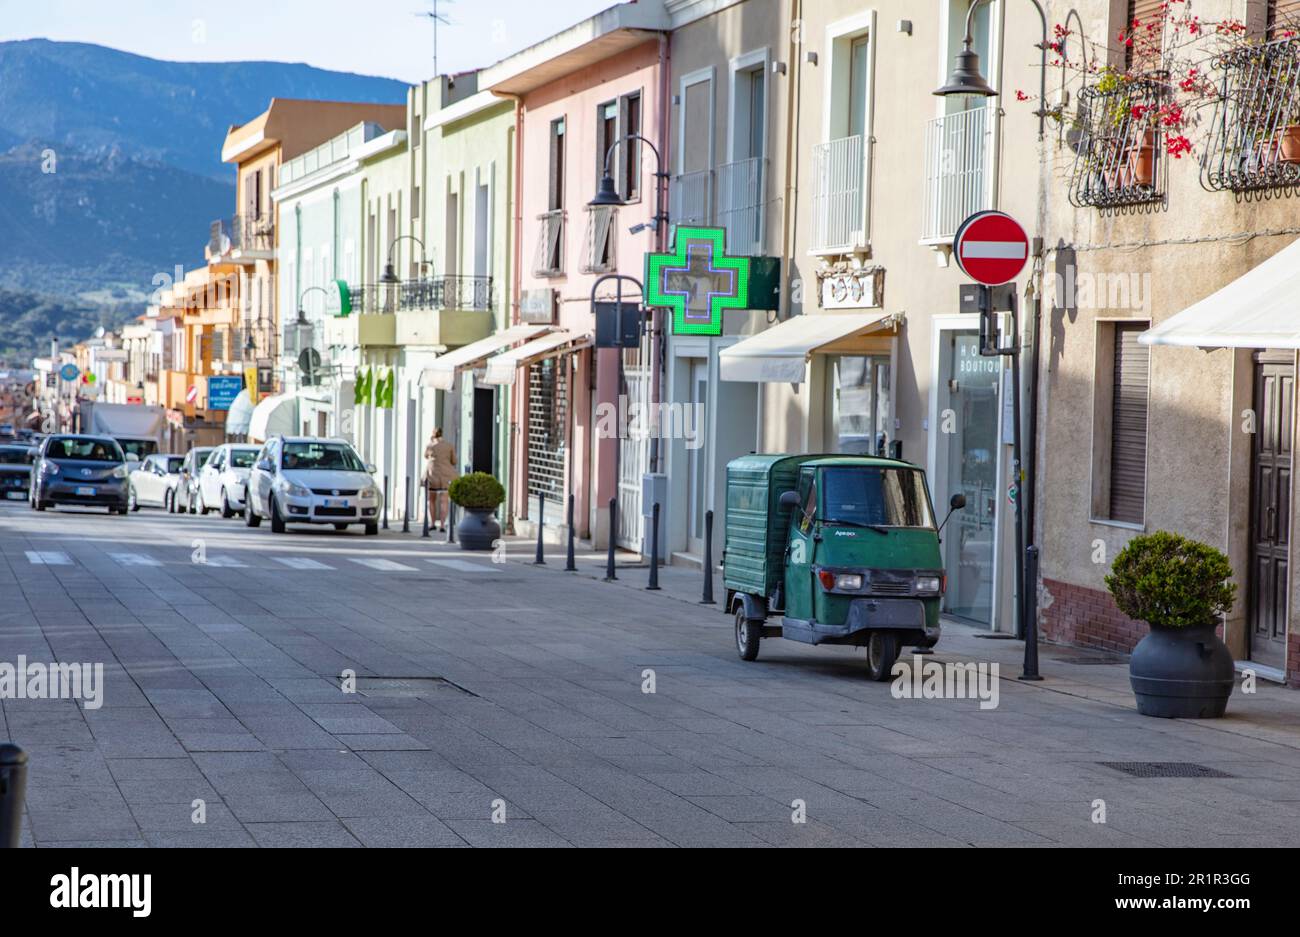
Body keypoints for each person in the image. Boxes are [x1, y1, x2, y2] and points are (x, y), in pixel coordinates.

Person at [424, 428, 458, 531]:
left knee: (431, 500)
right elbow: (454, 461)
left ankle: (432, 523)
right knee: (444, 501)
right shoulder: (449, 446)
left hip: (432, 474)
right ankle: (443, 525)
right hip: (446, 476)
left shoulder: (430, 445)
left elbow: (425, 456)